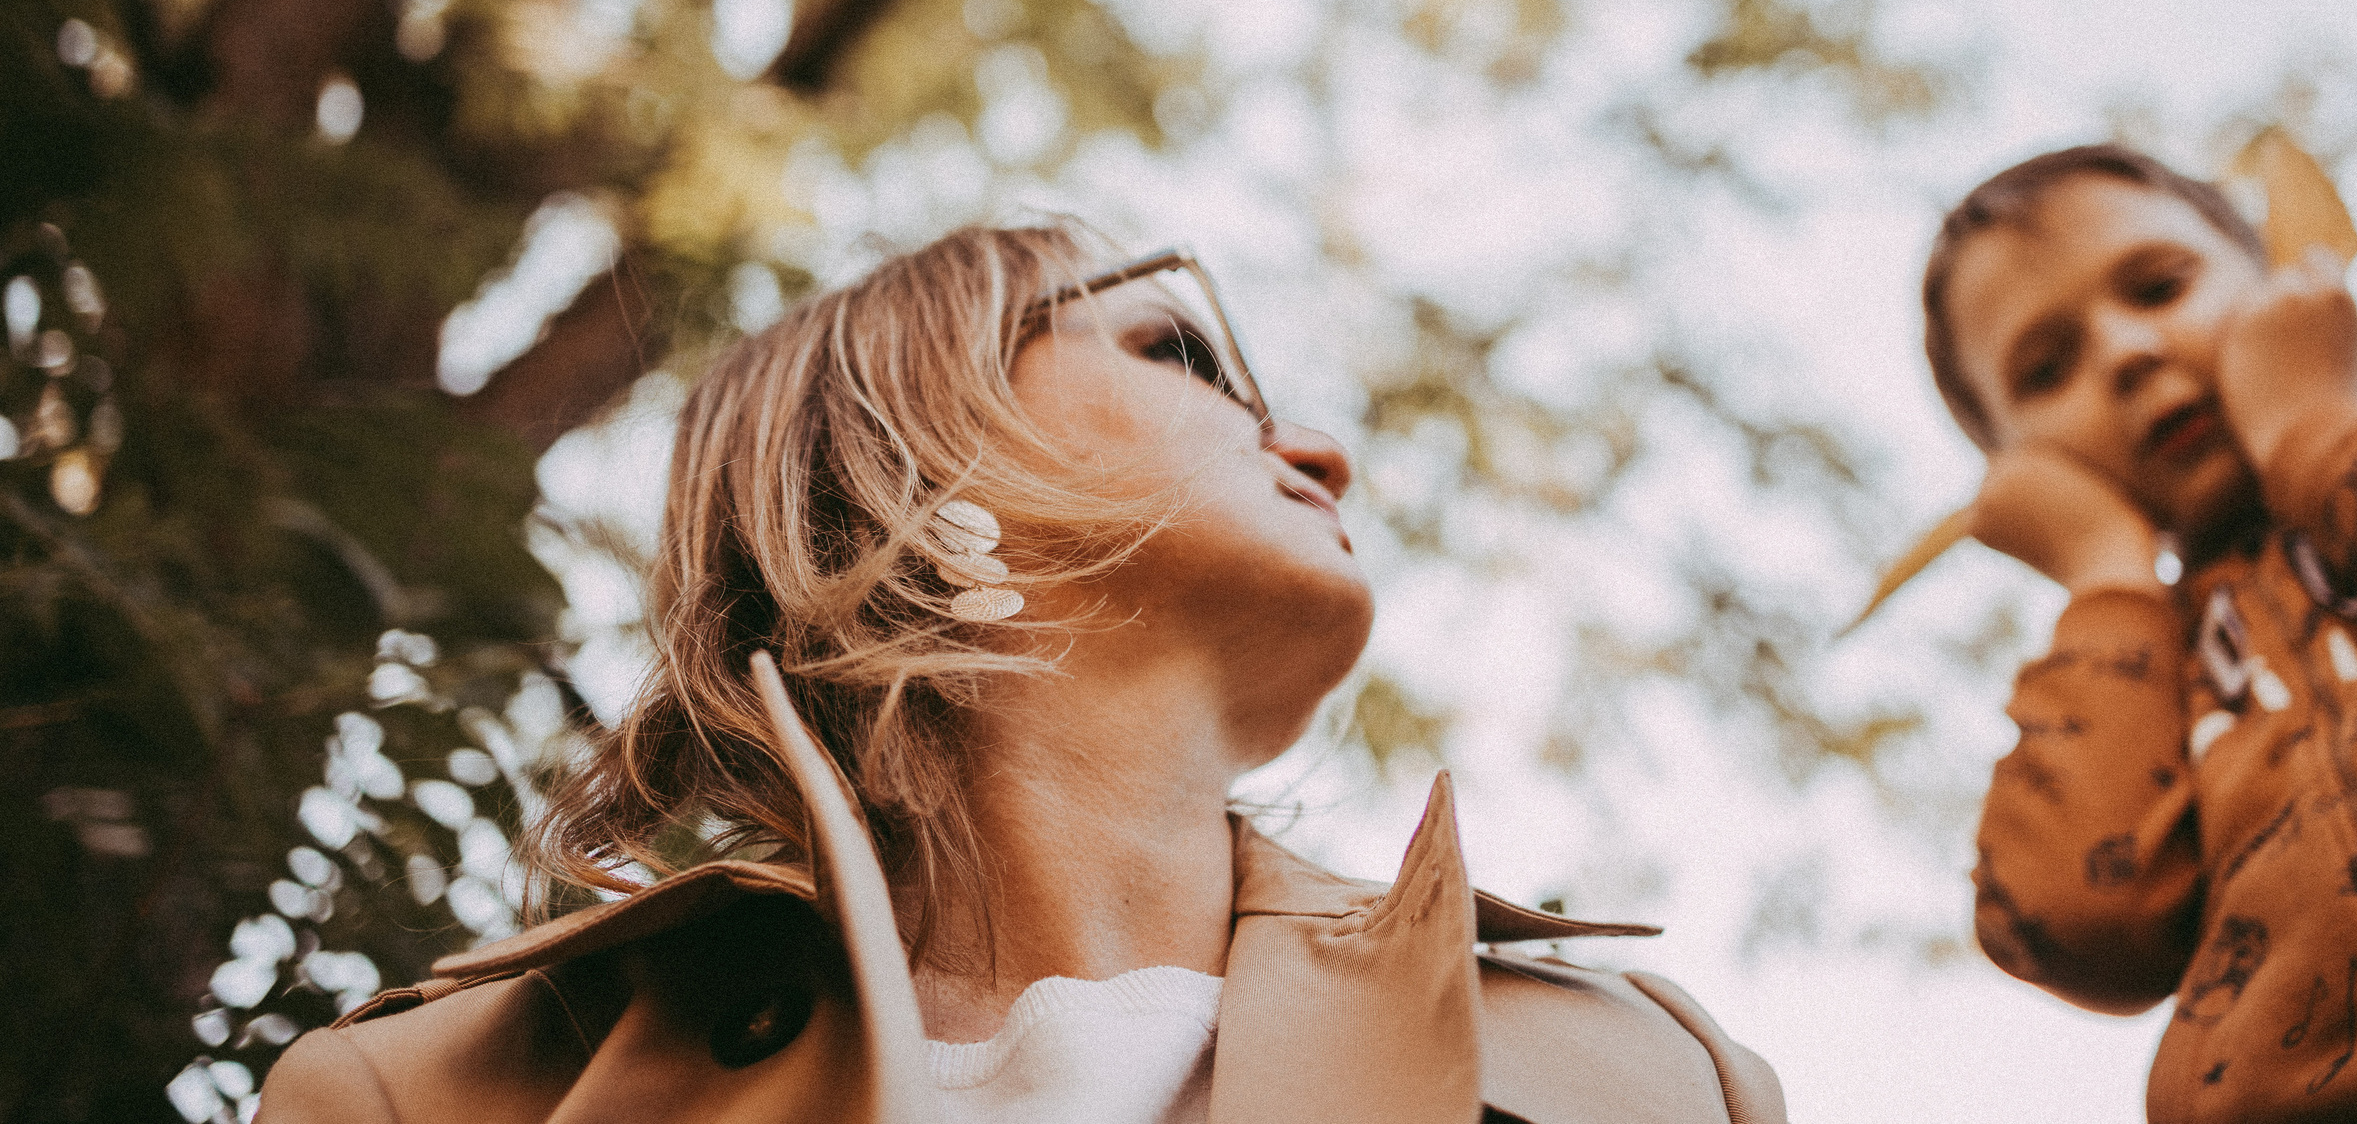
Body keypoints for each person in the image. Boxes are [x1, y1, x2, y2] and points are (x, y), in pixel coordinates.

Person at [260, 223, 1786, 1124]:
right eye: (1183, 354)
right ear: (906, 458)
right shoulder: (431, 1098)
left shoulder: (1651, 1072)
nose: (1321, 446)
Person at [1921, 144, 2357, 1123]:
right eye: (2046, 369)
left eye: (2158, 285)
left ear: (2276, 290)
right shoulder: (2130, 676)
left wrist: (2316, 430)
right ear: (2020, 469)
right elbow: (2076, 922)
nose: (2126, 352)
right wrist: (2104, 573)